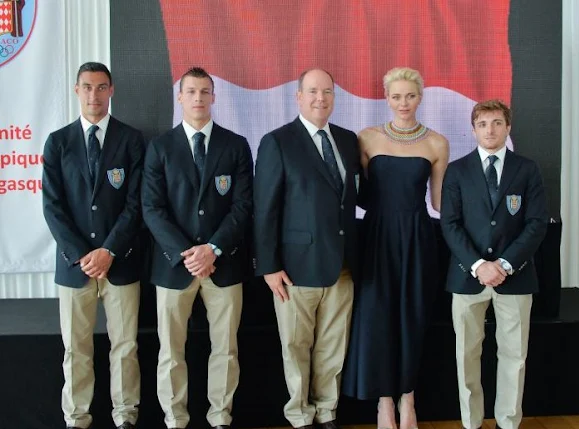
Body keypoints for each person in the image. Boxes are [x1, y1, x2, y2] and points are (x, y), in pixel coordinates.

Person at [142, 67, 253, 429]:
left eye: (205, 92)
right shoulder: (160, 147)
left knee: (226, 349)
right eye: (191, 92)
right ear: (180, 97)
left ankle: (220, 417)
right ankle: (176, 419)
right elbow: (152, 209)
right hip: (174, 267)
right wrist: (189, 254)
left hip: (224, 266)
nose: (198, 99)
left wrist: (214, 249)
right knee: (171, 353)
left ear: (214, 96)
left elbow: (243, 206)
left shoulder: (235, 145)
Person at [341, 67, 450, 429]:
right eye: (396, 96)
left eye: (410, 96)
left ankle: (408, 399)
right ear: (386, 98)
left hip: (418, 238)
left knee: (412, 317)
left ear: (420, 98)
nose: (403, 103)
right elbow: (356, 193)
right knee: (378, 318)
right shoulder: (366, 138)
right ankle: (384, 402)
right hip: (376, 237)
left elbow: (440, 203)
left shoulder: (437, 143)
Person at [253, 68, 360, 429]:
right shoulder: (277, 141)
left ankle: (327, 411)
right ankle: (299, 415)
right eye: (313, 91)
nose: (320, 98)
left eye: (327, 91)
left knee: (333, 345)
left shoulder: (347, 140)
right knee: (296, 347)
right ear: (298, 96)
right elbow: (265, 208)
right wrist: (268, 265)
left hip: (342, 265)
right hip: (294, 269)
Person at [42, 61, 144, 429]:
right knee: (76, 348)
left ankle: (125, 414)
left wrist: (109, 251)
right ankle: (77, 417)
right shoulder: (58, 142)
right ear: (76, 91)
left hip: (120, 262)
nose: (94, 95)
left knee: (125, 346)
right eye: (87, 87)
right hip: (74, 267)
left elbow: (136, 203)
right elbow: (52, 207)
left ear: (111, 91)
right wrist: (83, 255)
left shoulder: (131, 140)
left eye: (101, 87)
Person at [440, 100, 548, 429]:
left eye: (497, 123)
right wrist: (478, 265)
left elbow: (536, 223)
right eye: (483, 123)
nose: (490, 129)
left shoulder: (527, 169)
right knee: (466, 355)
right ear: (473, 129)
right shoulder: (457, 170)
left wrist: (503, 263)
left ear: (508, 127)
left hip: (514, 277)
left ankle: (508, 422)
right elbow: (450, 224)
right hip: (467, 277)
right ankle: (471, 422)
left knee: (514, 356)